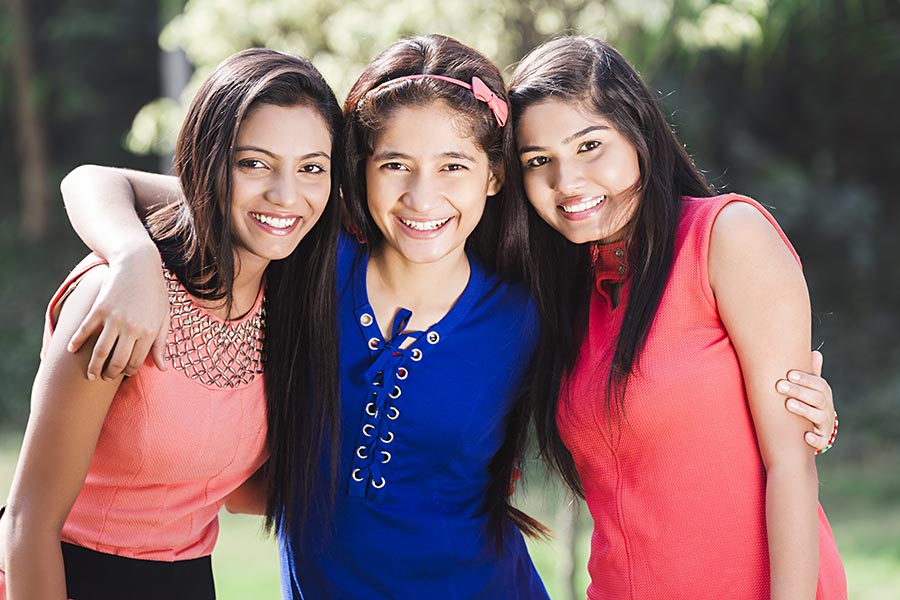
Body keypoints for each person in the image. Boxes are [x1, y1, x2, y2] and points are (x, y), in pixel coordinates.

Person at [41, 36, 837, 599]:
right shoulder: (311, 255)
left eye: (454, 167)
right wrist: (135, 259)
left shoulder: (532, 306)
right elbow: (97, 183)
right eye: (395, 166)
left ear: (493, 180)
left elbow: (671, 391)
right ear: (359, 172)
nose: (424, 199)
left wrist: (795, 401)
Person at [508, 35, 846, 599]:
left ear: (637, 130)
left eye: (590, 145)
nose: (566, 182)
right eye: (538, 161)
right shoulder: (560, 295)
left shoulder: (725, 237)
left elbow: (791, 465)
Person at [0, 48, 343, 600]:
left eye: (311, 168)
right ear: (208, 163)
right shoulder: (119, 301)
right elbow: (26, 524)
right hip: (63, 574)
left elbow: (244, 492)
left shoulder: (295, 291)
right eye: (253, 163)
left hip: (185, 581)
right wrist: (134, 257)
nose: (286, 194)